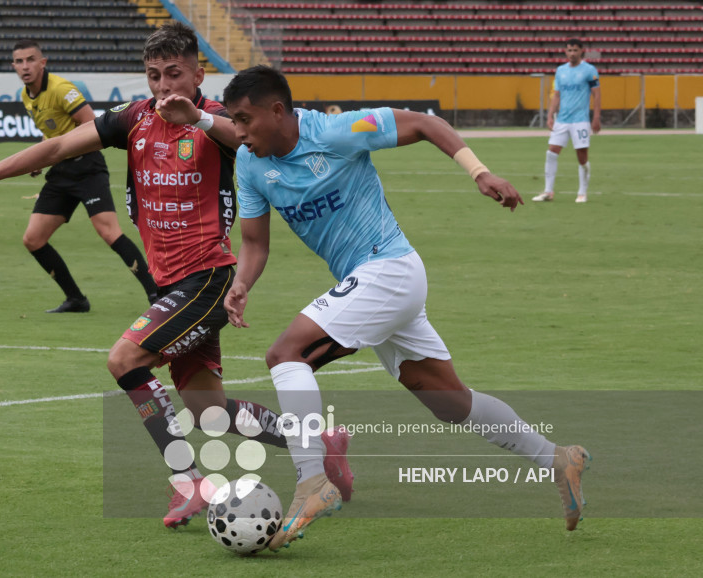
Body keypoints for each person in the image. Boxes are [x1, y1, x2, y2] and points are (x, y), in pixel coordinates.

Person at [0, 24, 351, 529]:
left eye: (174, 73)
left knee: (124, 359)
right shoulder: (134, 119)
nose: (162, 86)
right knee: (207, 410)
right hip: (168, 284)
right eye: (153, 75)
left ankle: (190, 484)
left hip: (209, 279)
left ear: (199, 73)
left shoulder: (222, 121)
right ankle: (319, 441)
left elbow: (246, 144)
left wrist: (195, 117)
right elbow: (55, 148)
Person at [221, 65, 590, 551]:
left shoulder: (335, 131)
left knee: (285, 356)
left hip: (388, 269)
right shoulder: (249, 164)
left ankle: (313, 481)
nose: (239, 133)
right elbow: (253, 242)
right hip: (375, 284)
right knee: (449, 400)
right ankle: (558, 458)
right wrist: (241, 282)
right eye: (233, 121)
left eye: (245, 120)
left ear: (278, 110)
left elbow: (424, 123)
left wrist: (479, 172)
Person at [10, 39, 157, 311]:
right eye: (19, 62)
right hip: (61, 171)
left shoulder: (61, 89)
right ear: (13, 66)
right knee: (33, 239)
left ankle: (155, 295)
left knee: (108, 231)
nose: (24, 66)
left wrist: (56, 150)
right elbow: (52, 131)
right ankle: (76, 299)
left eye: (30, 60)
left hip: (86, 166)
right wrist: (41, 156)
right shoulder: (25, 95)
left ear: (43, 63)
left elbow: (91, 124)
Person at [533, 38, 601, 204]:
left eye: (575, 50)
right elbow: (557, 94)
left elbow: (596, 94)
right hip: (562, 120)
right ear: (565, 52)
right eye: (569, 50)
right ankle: (548, 191)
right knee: (551, 153)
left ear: (581, 51)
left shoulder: (589, 70)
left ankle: (582, 192)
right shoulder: (560, 71)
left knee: (582, 157)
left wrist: (597, 117)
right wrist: (550, 116)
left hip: (580, 120)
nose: (572, 53)